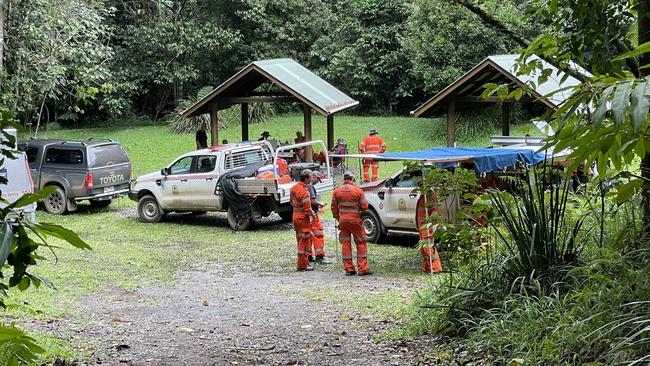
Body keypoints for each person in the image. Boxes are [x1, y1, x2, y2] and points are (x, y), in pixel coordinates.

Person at [331, 172, 370, 276]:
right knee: (361, 242)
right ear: (352, 179)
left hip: (343, 220)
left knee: (345, 243)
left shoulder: (336, 191)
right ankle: (362, 268)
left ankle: (349, 269)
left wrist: (338, 219)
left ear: (344, 179)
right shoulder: (358, 190)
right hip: (355, 220)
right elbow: (365, 206)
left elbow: (333, 208)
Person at [290, 169, 315, 272]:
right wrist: (313, 215)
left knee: (299, 240)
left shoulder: (294, 188)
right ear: (306, 179)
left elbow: (291, 202)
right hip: (302, 218)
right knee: (304, 242)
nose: (312, 178)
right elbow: (307, 209)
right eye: (311, 177)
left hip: (295, 215)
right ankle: (302, 265)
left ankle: (304, 262)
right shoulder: (304, 191)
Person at [307, 172, 331, 264]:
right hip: (313, 215)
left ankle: (309, 256)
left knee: (308, 235)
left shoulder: (304, 186)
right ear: (313, 177)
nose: (317, 182)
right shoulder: (310, 186)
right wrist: (320, 203)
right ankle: (319, 256)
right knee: (318, 234)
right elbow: (312, 201)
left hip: (307, 215)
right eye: (318, 179)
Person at [416, 193, 443, 274]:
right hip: (422, 225)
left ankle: (435, 267)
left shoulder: (429, 195)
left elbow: (435, 211)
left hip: (427, 226)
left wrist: (430, 222)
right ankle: (428, 267)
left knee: (427, 247)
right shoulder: (424, 195)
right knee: (424, 248)